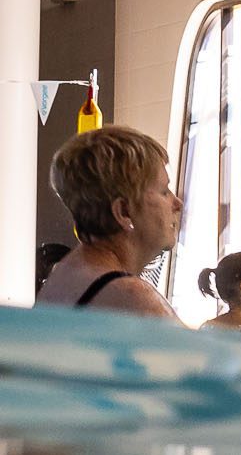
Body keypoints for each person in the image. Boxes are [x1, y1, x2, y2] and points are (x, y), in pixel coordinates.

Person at [37, 127, 184, 320]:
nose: (177, 204)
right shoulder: (132, 298)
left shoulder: (65, 274)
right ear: (124, 212)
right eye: (164, 191)